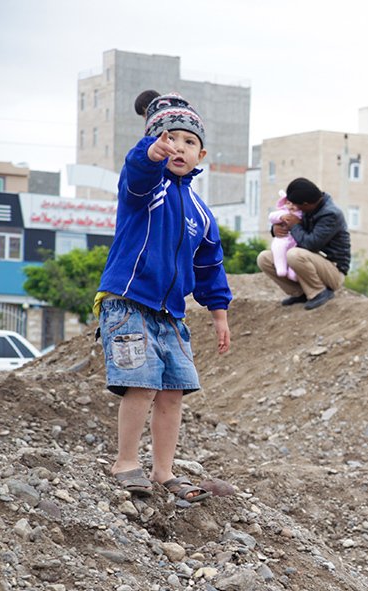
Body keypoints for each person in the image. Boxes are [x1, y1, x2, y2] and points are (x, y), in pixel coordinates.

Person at [95, 90, 232, 504]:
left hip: (171, 314)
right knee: (140, 384)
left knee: (173, 391)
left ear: (201, 154)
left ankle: (164, 470)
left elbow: (210, 266)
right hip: (127, 301)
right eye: (170, 139)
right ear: (157, 143)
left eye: (189, 142)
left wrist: (219, 314)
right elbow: (136, 173)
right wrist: (147, 154)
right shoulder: (145, 189)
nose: (179, 147)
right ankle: (125, 462)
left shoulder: (201, 212)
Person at [256, 178, 351, 310]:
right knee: (264, 258)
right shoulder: (309, 209)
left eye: (295, 205)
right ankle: (300, 293)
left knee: (294, 254)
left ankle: (319, 292)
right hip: (313, 261)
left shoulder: (330, 214)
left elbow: (310, 244)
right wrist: (276, 229)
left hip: (333, 271)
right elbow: (293, 228)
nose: (292, 208)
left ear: (305, 204)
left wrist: (294, 226)